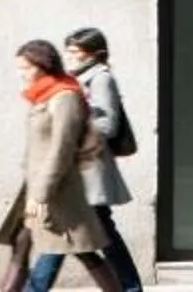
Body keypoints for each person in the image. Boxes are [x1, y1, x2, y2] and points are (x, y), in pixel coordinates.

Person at [1, 40, 118, 292]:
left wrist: (41, 193)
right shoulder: (42, 95)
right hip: (36, 184)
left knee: (83, 250)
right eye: (19, 68)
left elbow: (61, 150)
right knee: (21, 242)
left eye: (26, 68)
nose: (21, 74)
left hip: (59, 190)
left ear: (43, 66)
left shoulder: (64, 97)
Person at [64, 27, 143, 292]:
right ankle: (129, 288)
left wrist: (73, 121)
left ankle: (131, 288)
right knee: (100, 236)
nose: (69, 56)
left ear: (91, 54)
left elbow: (108, 125)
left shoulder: (101, 78)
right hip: (80, 170)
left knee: (99, 236)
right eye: (68, 51)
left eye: (75, 51)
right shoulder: (76, 78)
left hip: (91, 171)